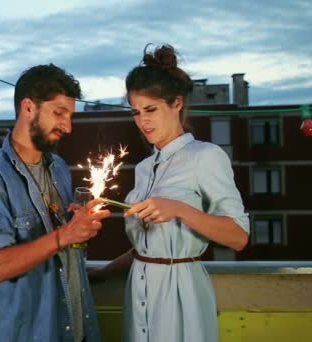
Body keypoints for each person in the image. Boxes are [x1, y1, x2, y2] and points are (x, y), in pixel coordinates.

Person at [91, 45, 250, 342]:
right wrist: (101, 272)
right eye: (136, 112)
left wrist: (178, 208)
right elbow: (149, 247)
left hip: (181, 292)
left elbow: (239, 237)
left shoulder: (206, 156)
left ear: (176, 103)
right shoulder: (144, 168)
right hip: (137, 289)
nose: (142, 121)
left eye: (151, 110)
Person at [0, 64, 111, 342]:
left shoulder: (58, 168)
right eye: (59, 113)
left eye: (70, 116)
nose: (68, 126)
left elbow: (61, 250)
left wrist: (77, 227)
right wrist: (65, 234)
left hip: (76, 330)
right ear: (28, 107)